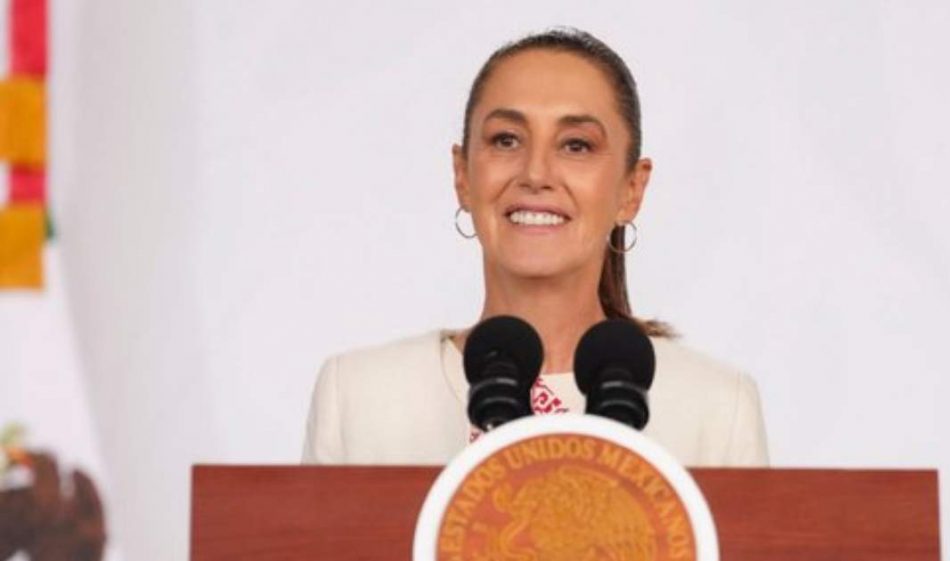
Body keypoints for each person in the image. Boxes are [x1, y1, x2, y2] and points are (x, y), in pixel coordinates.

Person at [302, 28, 768, 467]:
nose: (536, 174)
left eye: (576, 145)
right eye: (506, 140)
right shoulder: (359, 397)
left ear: (632, 189)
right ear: (462, 176)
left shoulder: (717, 410)